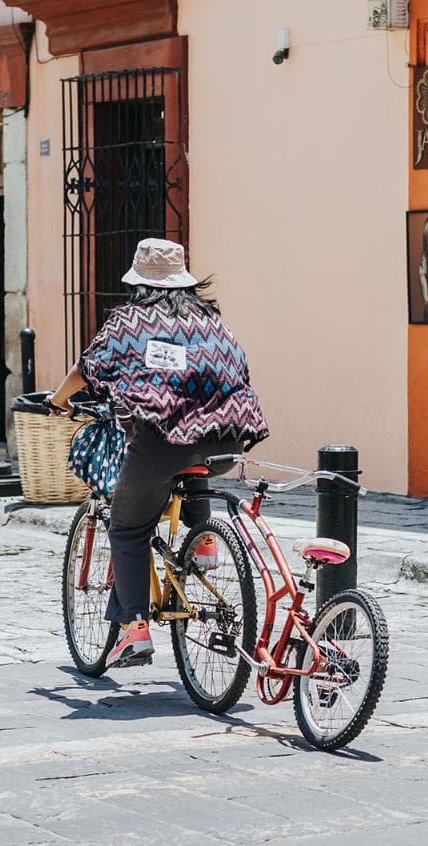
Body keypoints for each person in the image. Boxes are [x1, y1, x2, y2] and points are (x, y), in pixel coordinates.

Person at [47, 238, 268, 668]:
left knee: (129, 528)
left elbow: (87, 369)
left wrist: (58, 400)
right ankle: (202, 539)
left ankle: (133, 630)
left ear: (138, 281)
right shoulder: (210, 320)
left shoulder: (130, 321)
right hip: (228, 440)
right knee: (191, 445)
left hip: (166, 443)